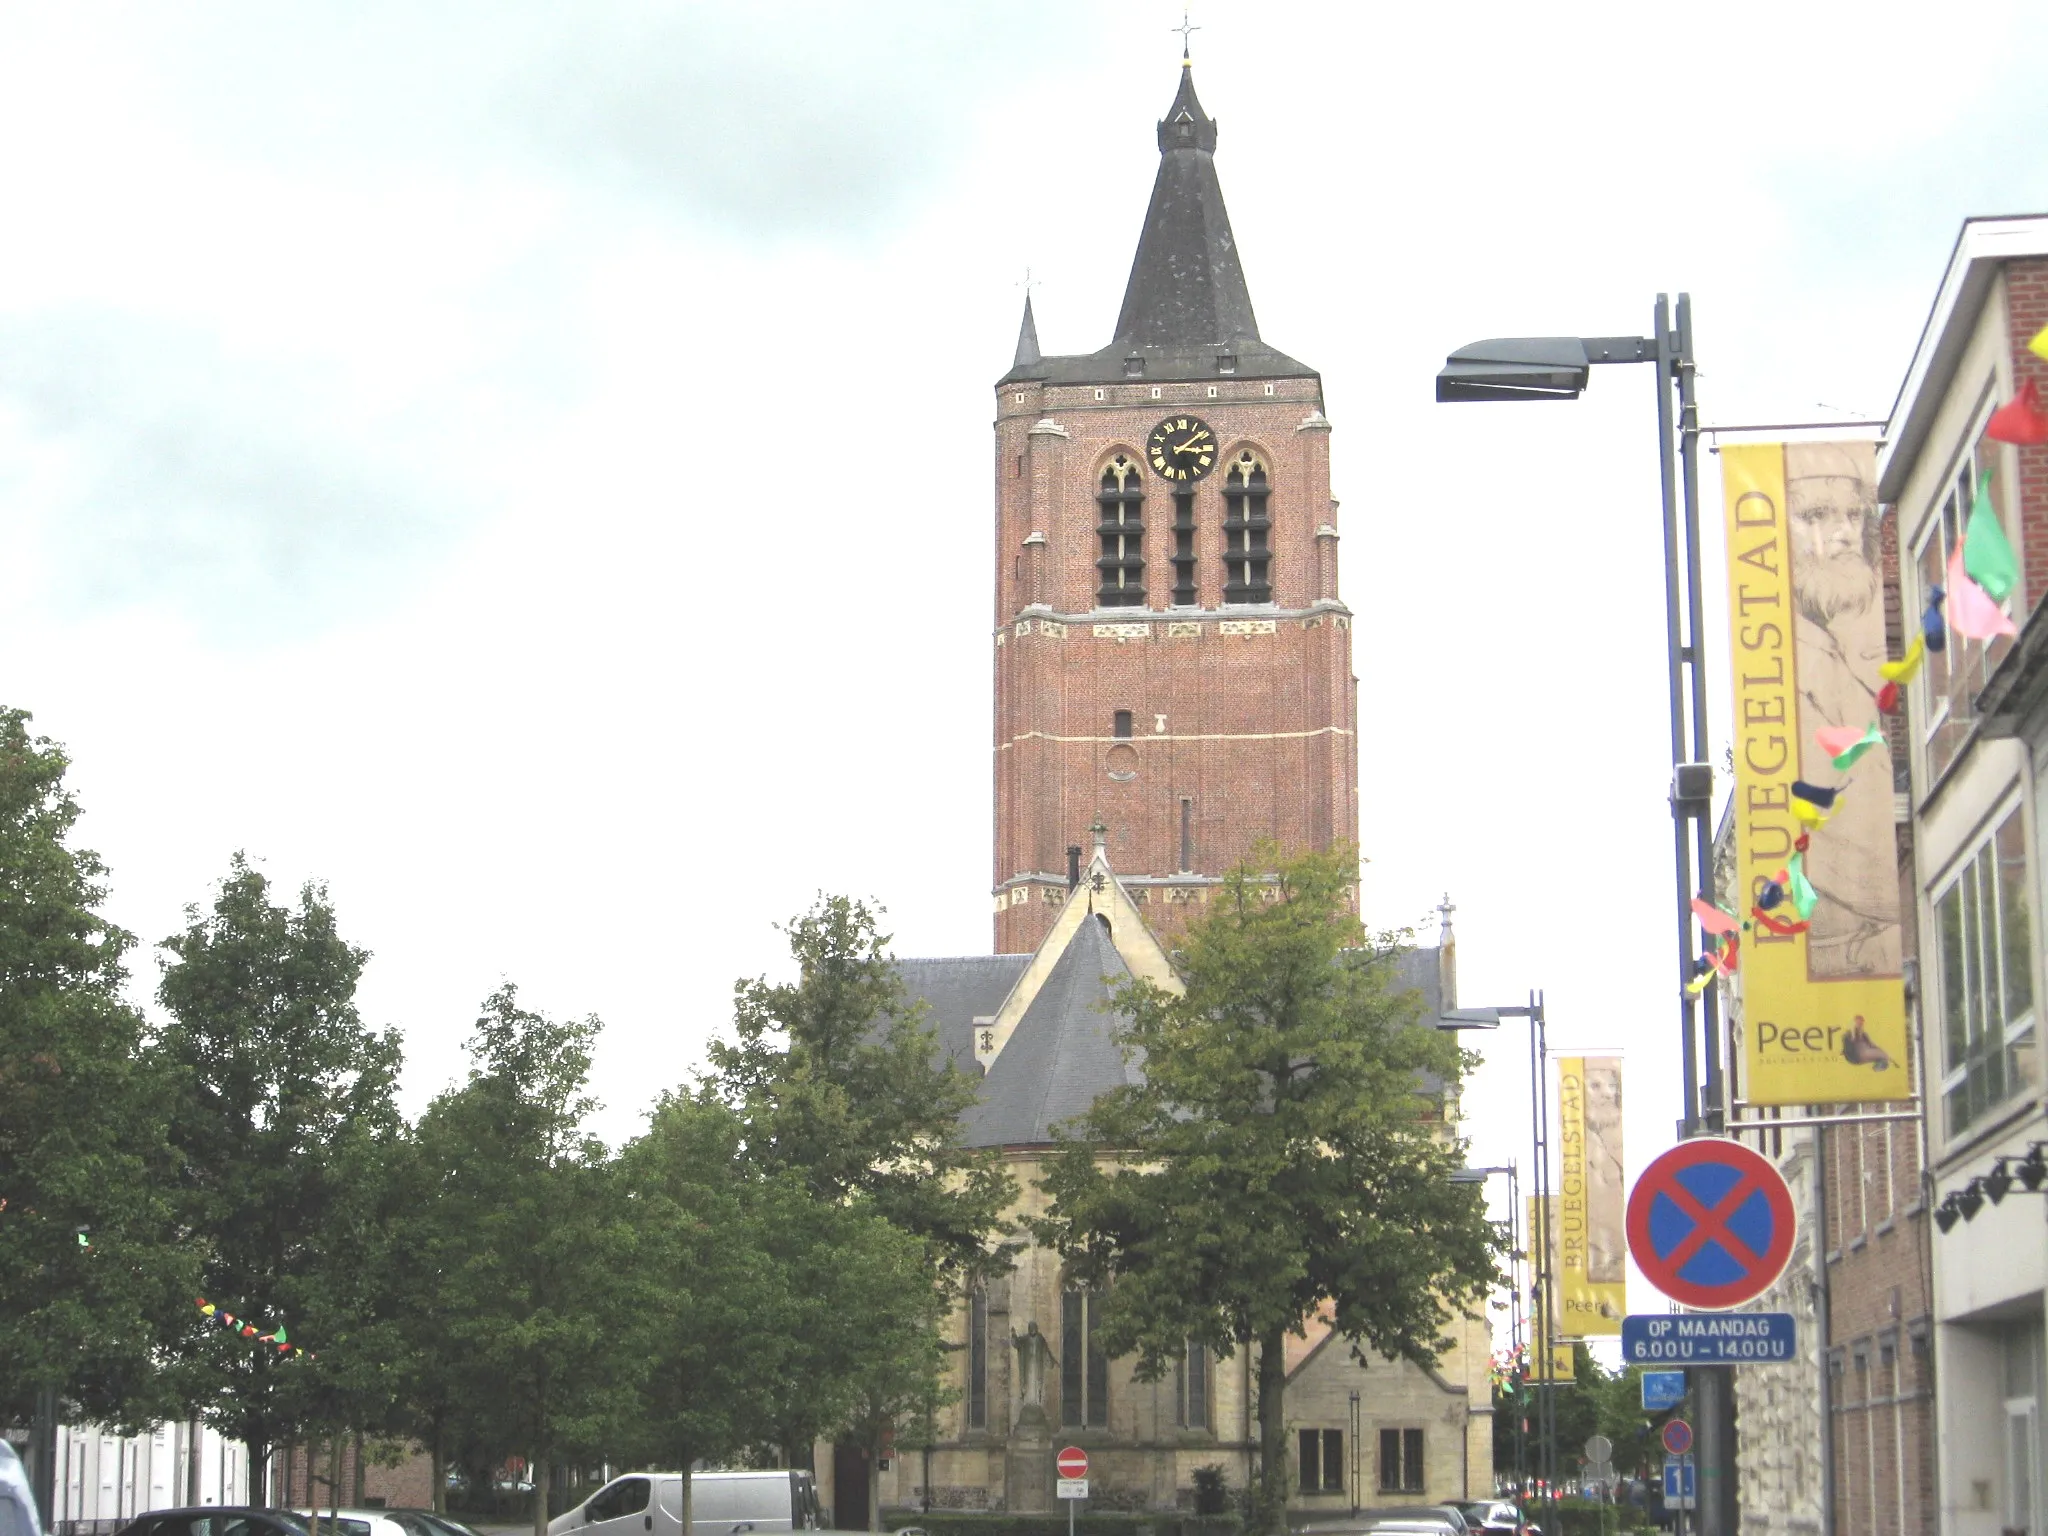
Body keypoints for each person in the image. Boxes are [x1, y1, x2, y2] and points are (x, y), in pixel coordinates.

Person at [1785, 441, 1903, 981]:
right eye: (1815, 516)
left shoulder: (1865, 626)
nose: (1842, 533)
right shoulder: (1797, 660)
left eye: (1853, 515)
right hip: (1848, 939)